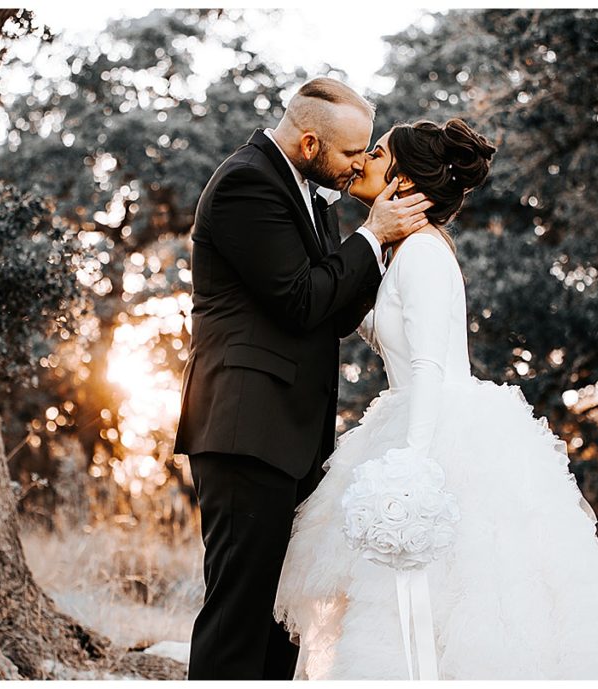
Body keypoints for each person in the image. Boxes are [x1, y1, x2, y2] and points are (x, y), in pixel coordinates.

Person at [272, 118, 598, 680]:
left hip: (433, 430)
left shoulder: (422, 253)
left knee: (453, 593)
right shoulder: (402, 254)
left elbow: (426, 366)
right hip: (413, 415)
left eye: (376, 154)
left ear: (403, 180)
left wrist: (412, 464)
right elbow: (381, 333)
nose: (362, 162)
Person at [172, 77, 433, 680]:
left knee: (280, 616)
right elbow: (298, 299)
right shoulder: (246, 183)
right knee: (239, 609)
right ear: (311, 141)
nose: (358, 166)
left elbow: (334, 311)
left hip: (293, 437)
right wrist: (374, 236)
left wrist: (382, 247)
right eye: (350, 154)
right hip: (245, 428)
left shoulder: (313, 198)